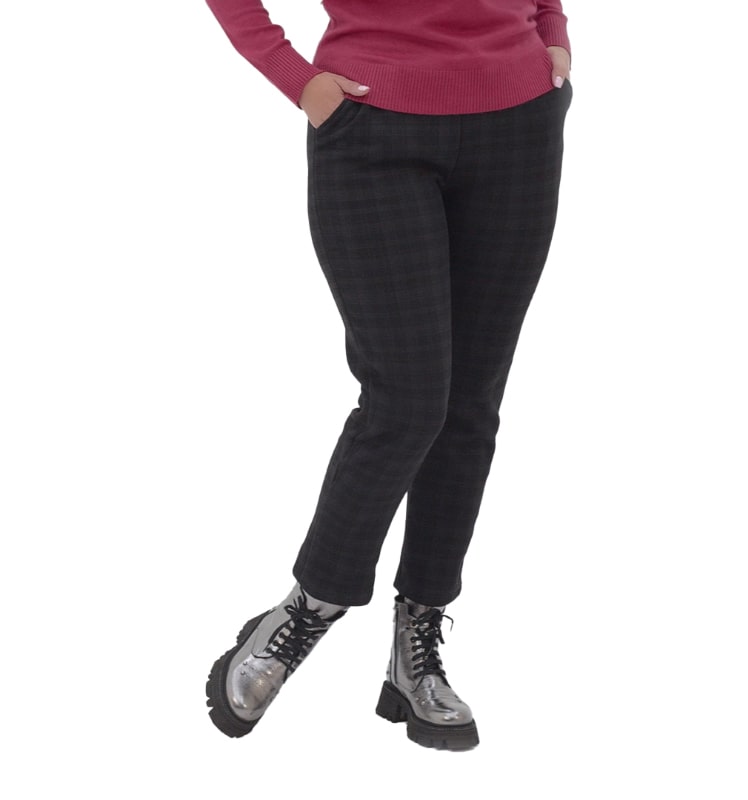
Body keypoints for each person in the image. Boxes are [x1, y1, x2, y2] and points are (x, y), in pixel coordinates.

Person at [203, 0, 573, 752]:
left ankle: (417, 644)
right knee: (406, 402)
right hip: (371, 126)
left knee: (470, 405)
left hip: (520, 122)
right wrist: (299, 80)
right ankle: (309, 608)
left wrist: (553, 33)